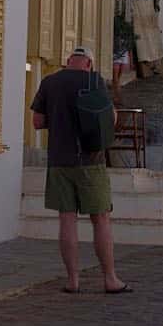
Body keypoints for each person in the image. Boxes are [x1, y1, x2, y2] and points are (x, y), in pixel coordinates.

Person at [30, 48, 130, 295]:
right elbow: (111, 119)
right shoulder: (93, 80)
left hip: (59, 160)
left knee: (67, 219)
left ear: (67, 63)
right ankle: (110, 278)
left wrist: (59, 119)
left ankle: (73, 280)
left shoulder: (49, 82)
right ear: (89, 63)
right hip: (90, 160)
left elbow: (37, 122)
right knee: (101, 218)